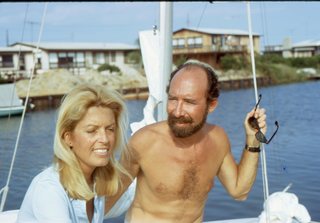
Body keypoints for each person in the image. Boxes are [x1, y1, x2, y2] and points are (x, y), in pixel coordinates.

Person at [113, 59, 267, 223]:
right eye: (173, 99)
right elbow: (107, 199)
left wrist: (252, 139)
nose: (177, 111)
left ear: (211, 105)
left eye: (189, 102)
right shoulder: (144, 141)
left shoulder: (217, 138)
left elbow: (239, 191)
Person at [17, 84, 135, 223]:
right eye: (92, 130)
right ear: (68, 138)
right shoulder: (49, 189)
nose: (104, 139)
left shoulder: (97, 182)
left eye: (110, 129)